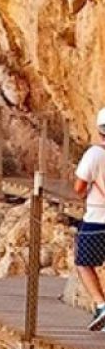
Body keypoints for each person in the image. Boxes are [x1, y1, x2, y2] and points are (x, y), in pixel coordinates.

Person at [74, 107, 105, 330]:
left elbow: (79, 186)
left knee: (84, 263)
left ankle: (102, 305)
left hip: (97, 217)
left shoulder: (95, 154)